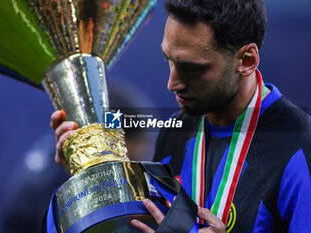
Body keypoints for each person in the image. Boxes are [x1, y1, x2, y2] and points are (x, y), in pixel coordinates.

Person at [51, 0, 311, 232]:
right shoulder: (174, 133)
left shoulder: (299, 149)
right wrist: (88, 169)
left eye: (190, 68)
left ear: (246, 60)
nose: (172, 82)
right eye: (169, 60)